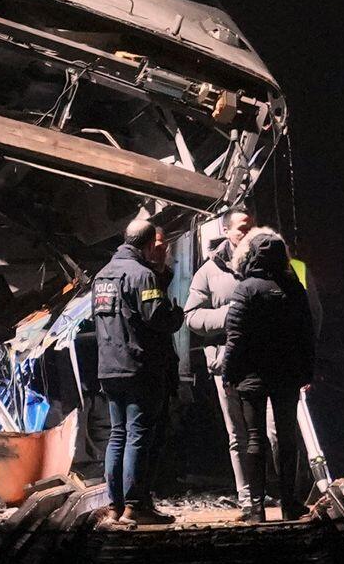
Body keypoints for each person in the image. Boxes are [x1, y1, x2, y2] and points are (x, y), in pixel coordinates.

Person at [92, 215, 186, 527]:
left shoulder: (102, 276)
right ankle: (135, 507)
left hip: (109, 367)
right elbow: (157, 317)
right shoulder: (142, 275)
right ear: (147, 245)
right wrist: (176, 314)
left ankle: (115, 506)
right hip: (139, 367)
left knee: (117, 435)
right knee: (138, 436)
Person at [223, 227, 316, 521]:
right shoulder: (294, 288)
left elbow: (235, 336)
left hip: (252, 374)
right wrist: (307, 370)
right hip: (287, 373)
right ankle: (290, 504)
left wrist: (228, 371)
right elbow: (306, 333)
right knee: (287, 437)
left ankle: (256, 509)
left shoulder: (246, 289)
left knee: (254, 438)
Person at [184, 208, 252, 499]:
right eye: (241, 228)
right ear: (226, 231)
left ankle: (277, 490)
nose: (247, 233)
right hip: (226, 362)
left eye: (251, 227)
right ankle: (248, 495)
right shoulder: (209, 272)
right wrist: (229, 314)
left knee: (272, 430)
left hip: (263, 359)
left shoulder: (265, 263)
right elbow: (192, 317)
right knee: (238, 434)